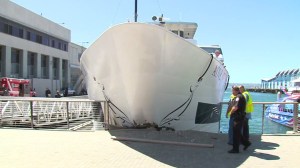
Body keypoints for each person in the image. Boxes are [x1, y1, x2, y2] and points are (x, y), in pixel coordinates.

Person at [228, 86, 251, 153]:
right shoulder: (241, 96)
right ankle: (246, 143)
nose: (232, 92)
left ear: (236, 91)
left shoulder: (238, 97)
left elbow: (235, 107)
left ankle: (235, 149)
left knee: (235, 133)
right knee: (237, 133)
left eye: (233, 91)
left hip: (237, 117)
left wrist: (231, 112)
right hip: (240, 116)